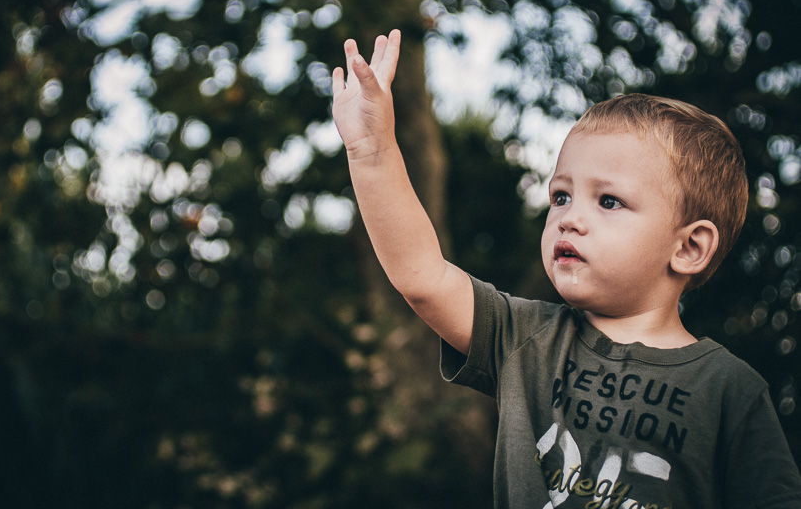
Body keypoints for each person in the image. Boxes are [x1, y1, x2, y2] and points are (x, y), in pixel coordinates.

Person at [331, 29, 801, 508]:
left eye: (609, 201)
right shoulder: (523, 339)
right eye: (561, 196)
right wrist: (371, 152)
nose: (569, 218)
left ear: (689, 247)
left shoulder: (730, 392)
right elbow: (421, 275)